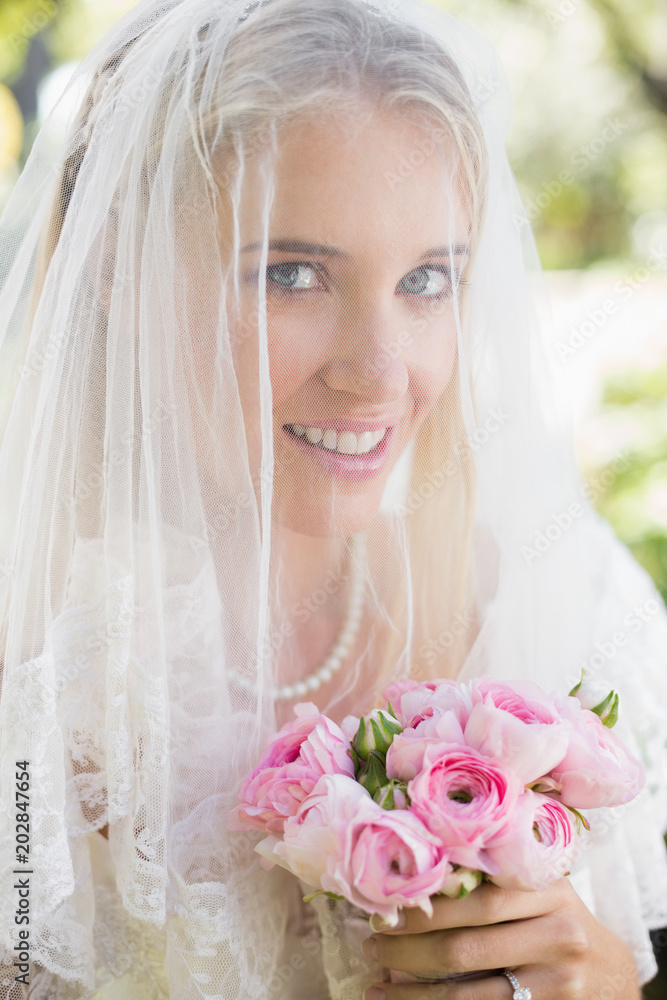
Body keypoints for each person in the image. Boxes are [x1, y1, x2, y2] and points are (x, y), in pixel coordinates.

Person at [0, 0, 665, 997]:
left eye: (427, 280)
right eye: (293, 274)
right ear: (120, 275)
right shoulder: (29, 678)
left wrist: (599, 983)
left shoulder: (563, 603)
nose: (379, 374)